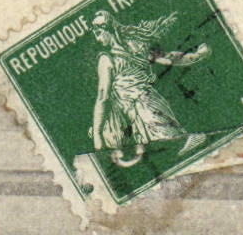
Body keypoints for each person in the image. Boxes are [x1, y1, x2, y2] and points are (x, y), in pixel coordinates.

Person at [88, 11, 209, 167]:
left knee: (178, 148)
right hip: (143, 111)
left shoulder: (107, 59)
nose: (98, 39)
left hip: (146, 109)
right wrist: (198, 55)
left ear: (109, 29)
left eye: (98, 33)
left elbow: (102, 97)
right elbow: (168, 58)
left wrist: (97, 135)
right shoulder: (134, 47)